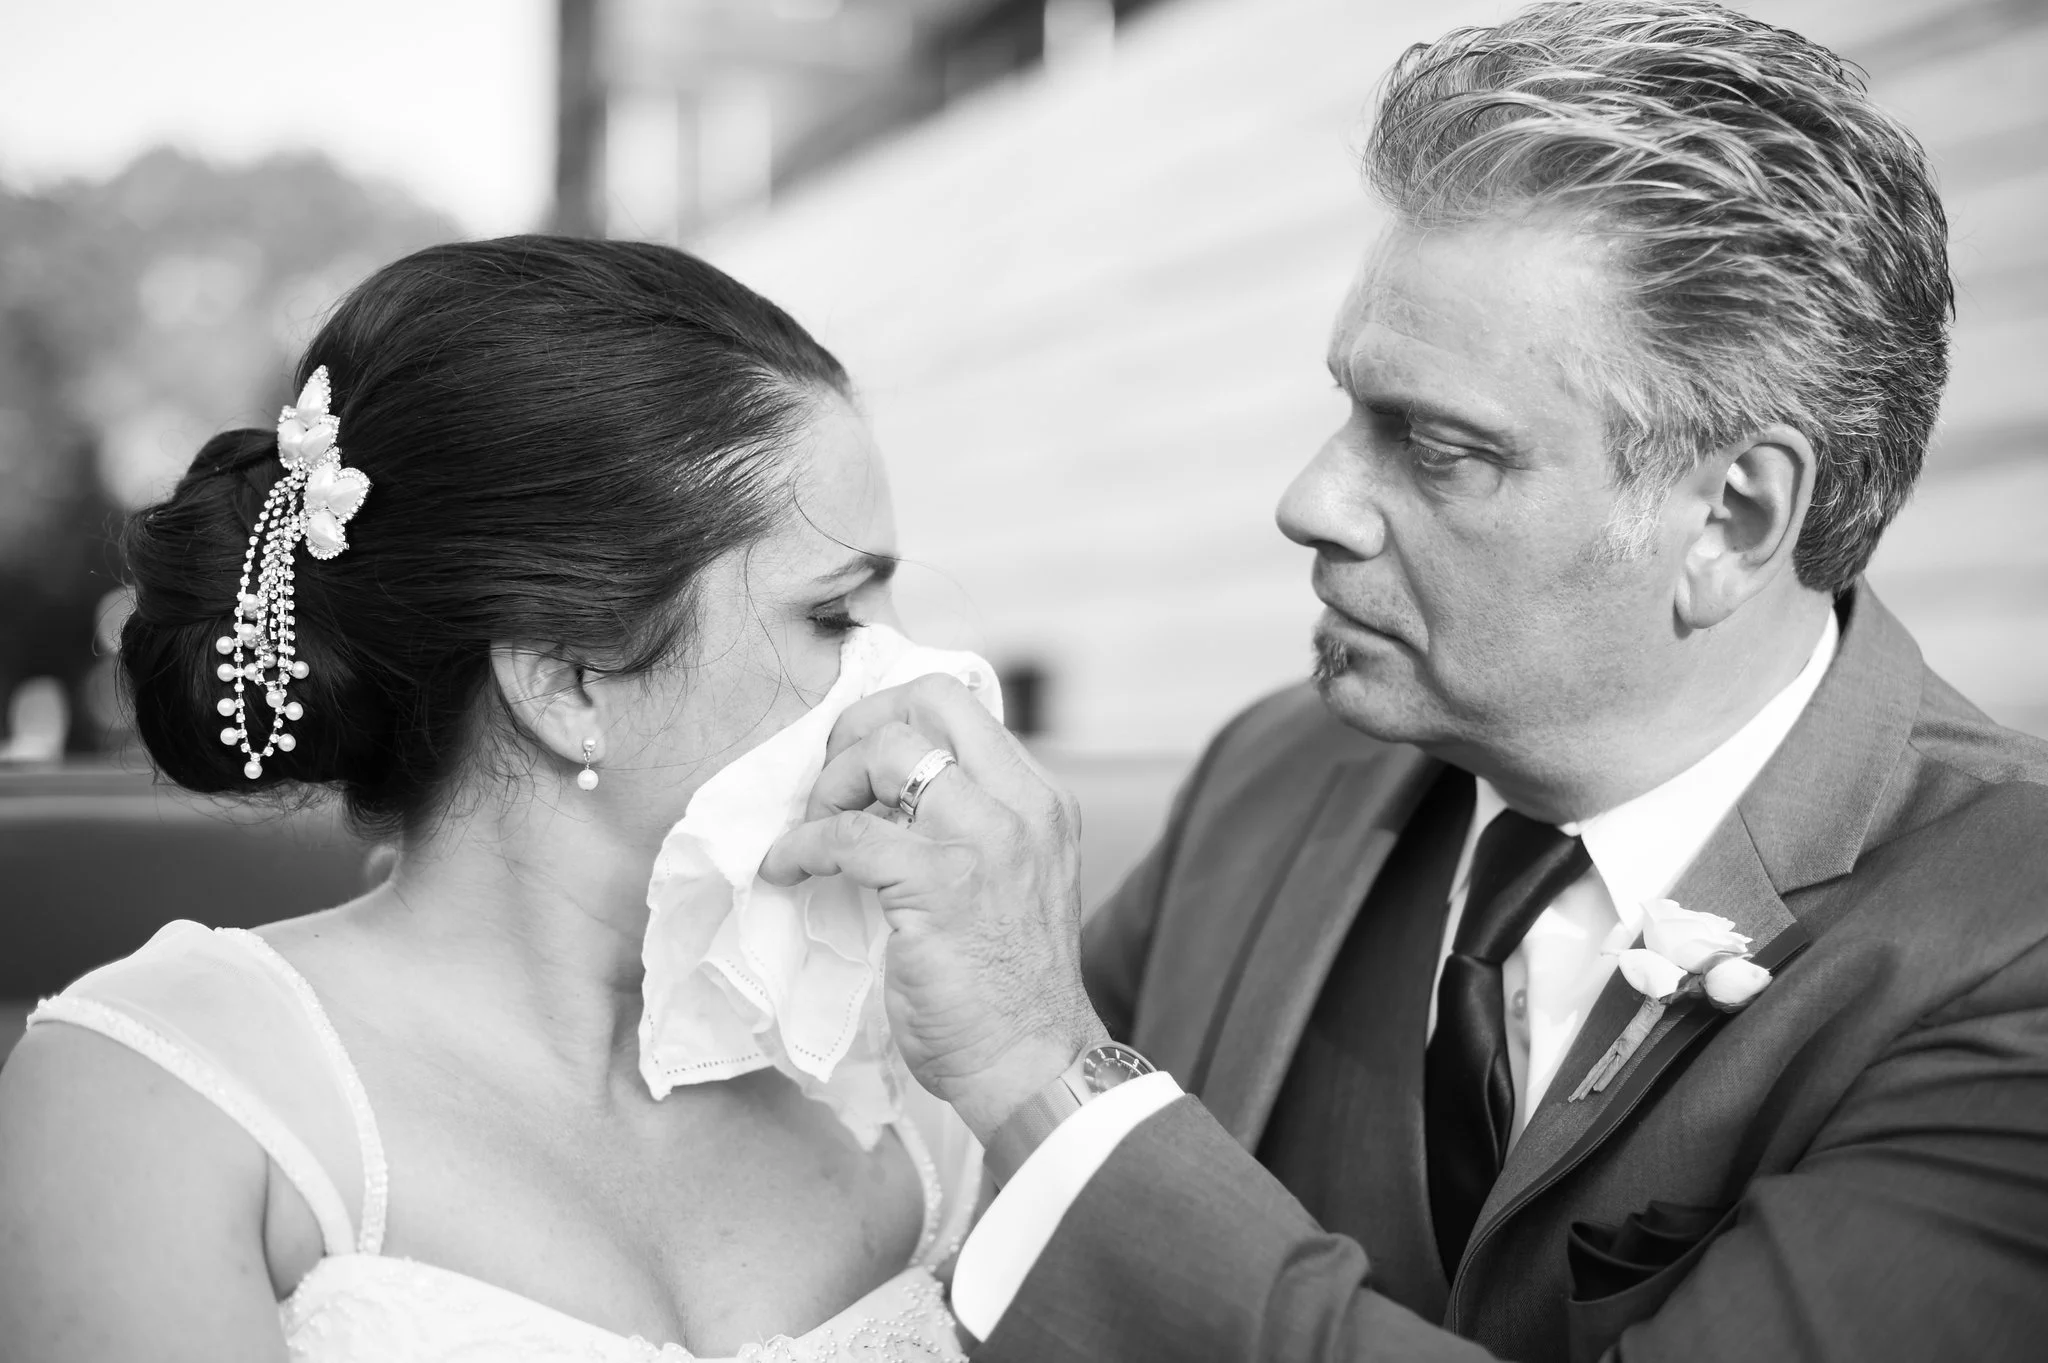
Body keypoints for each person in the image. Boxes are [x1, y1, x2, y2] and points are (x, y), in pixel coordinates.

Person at [760, 4, 2048, 1360]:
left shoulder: (2009, 945)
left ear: (1731, 518)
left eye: (1438, 448)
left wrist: (1046, 1074)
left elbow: (1042, 1094)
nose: (1311, 502)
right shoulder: (1271, 771)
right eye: (1349, 409)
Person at [0, 237, 979, 1361]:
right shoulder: (161, 1095)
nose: (918, 681)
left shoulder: (906, 1072)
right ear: (568, 682)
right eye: (834, 616)